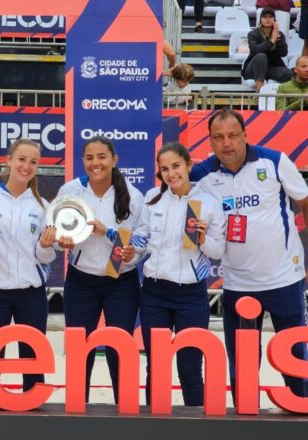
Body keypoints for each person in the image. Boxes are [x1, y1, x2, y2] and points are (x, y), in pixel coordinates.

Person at [191, 108, 308, 402]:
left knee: (295, 361)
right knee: (242, 367)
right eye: (218, 138)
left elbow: (305, 201)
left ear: (245, 135)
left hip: (285, 279)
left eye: (233, 136)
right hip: (238, 285)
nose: (226, 143)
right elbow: (171, 187)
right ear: (210, 141)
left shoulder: (275, 161)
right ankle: (245, 428)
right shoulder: (203, 174)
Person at [130, 142, 225, 407]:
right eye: (164, 169)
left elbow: (218, 251)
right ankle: (153, 430)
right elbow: (141, 238)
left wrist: (204, 238)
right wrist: (130, 251)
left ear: (188, 165)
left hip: (191, 295)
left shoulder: (208, 203)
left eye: (176, 166)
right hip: (154, 293)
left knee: (190, 367)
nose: (171, 174)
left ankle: (195, 433)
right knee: (156, 366)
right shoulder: (152, 197)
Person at [55, 135, 145, 403]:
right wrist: (62, 242)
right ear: (82, 161)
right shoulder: (70, 191)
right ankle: (76, 410)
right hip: (81, 282)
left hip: (121, 281)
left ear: (114, 160)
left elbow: (140, 243)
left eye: (102, 157)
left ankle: (125, 409)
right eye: (89, 158)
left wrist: (126, 249)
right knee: (80, 349)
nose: (96, 163)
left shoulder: (133, 195)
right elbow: (57, 237)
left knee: (120, 350)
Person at [0, 139, 56, 402]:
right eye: (21, 159)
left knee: (32, 359)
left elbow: (45, 257)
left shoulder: (42, 207)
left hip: (32, 294)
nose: (26, 166)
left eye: (33, 162)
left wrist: (45, 245)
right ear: (8, 160)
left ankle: (33, 414)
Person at [242, 7, 291, 92]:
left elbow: (283, 53)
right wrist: (272, 41)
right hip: (253, 69)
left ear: (274, 20)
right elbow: (255, 50)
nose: (268, 19)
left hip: (270, 69)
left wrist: (278, 41)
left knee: (288, 73)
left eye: (270, 16)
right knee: (261, 56)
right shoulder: (253, 34)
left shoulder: (279, 34)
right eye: (265, 16)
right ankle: (260, 91)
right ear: (260, 19)